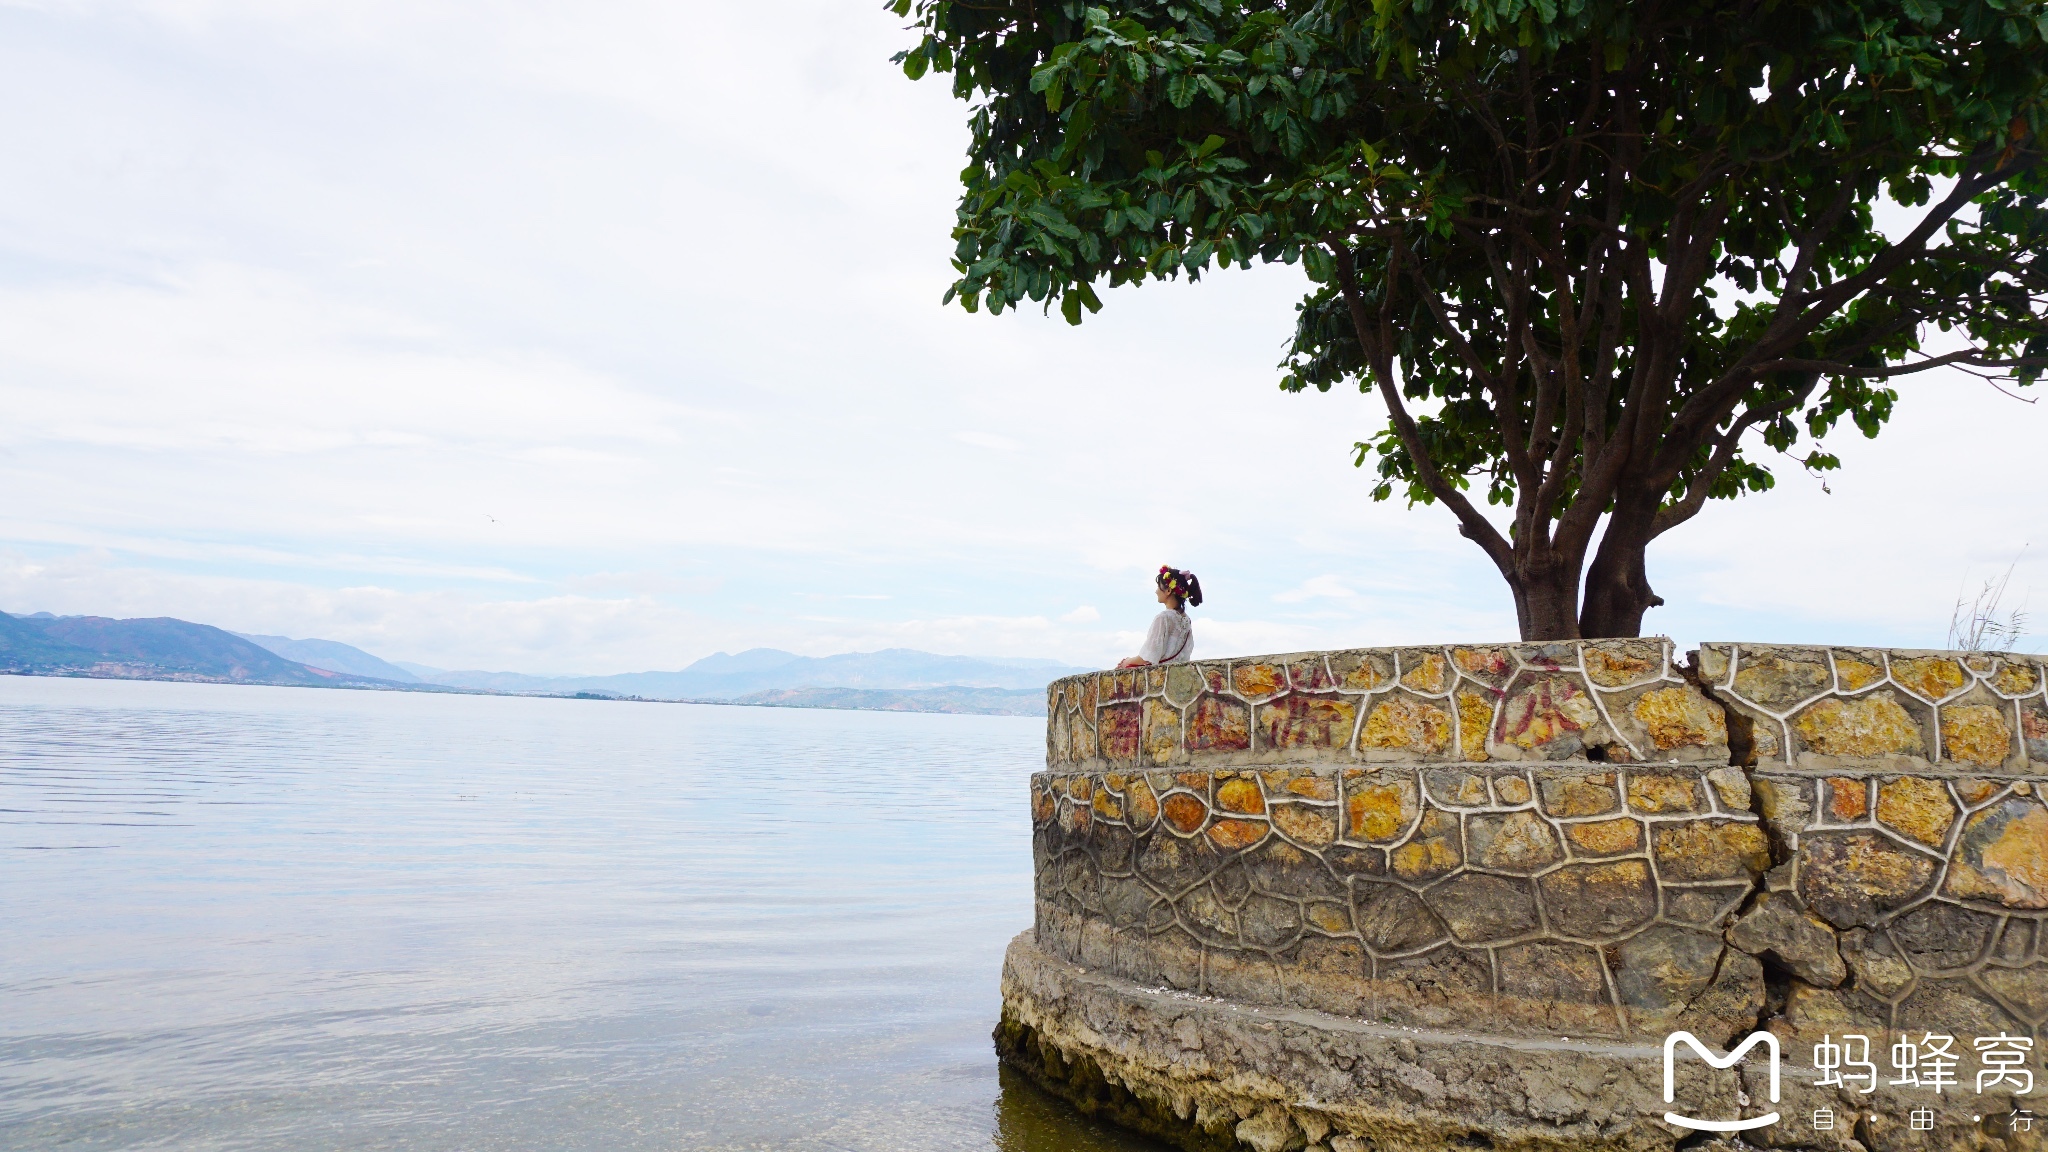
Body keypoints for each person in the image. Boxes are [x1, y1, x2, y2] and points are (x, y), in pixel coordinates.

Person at [1117, 566, 1201, 668]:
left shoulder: (1163, 618)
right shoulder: (1186, 620)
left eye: (1158, 587)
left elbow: (1147, 657)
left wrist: (1126, 661)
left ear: (1168, 591)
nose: (1156, 591)